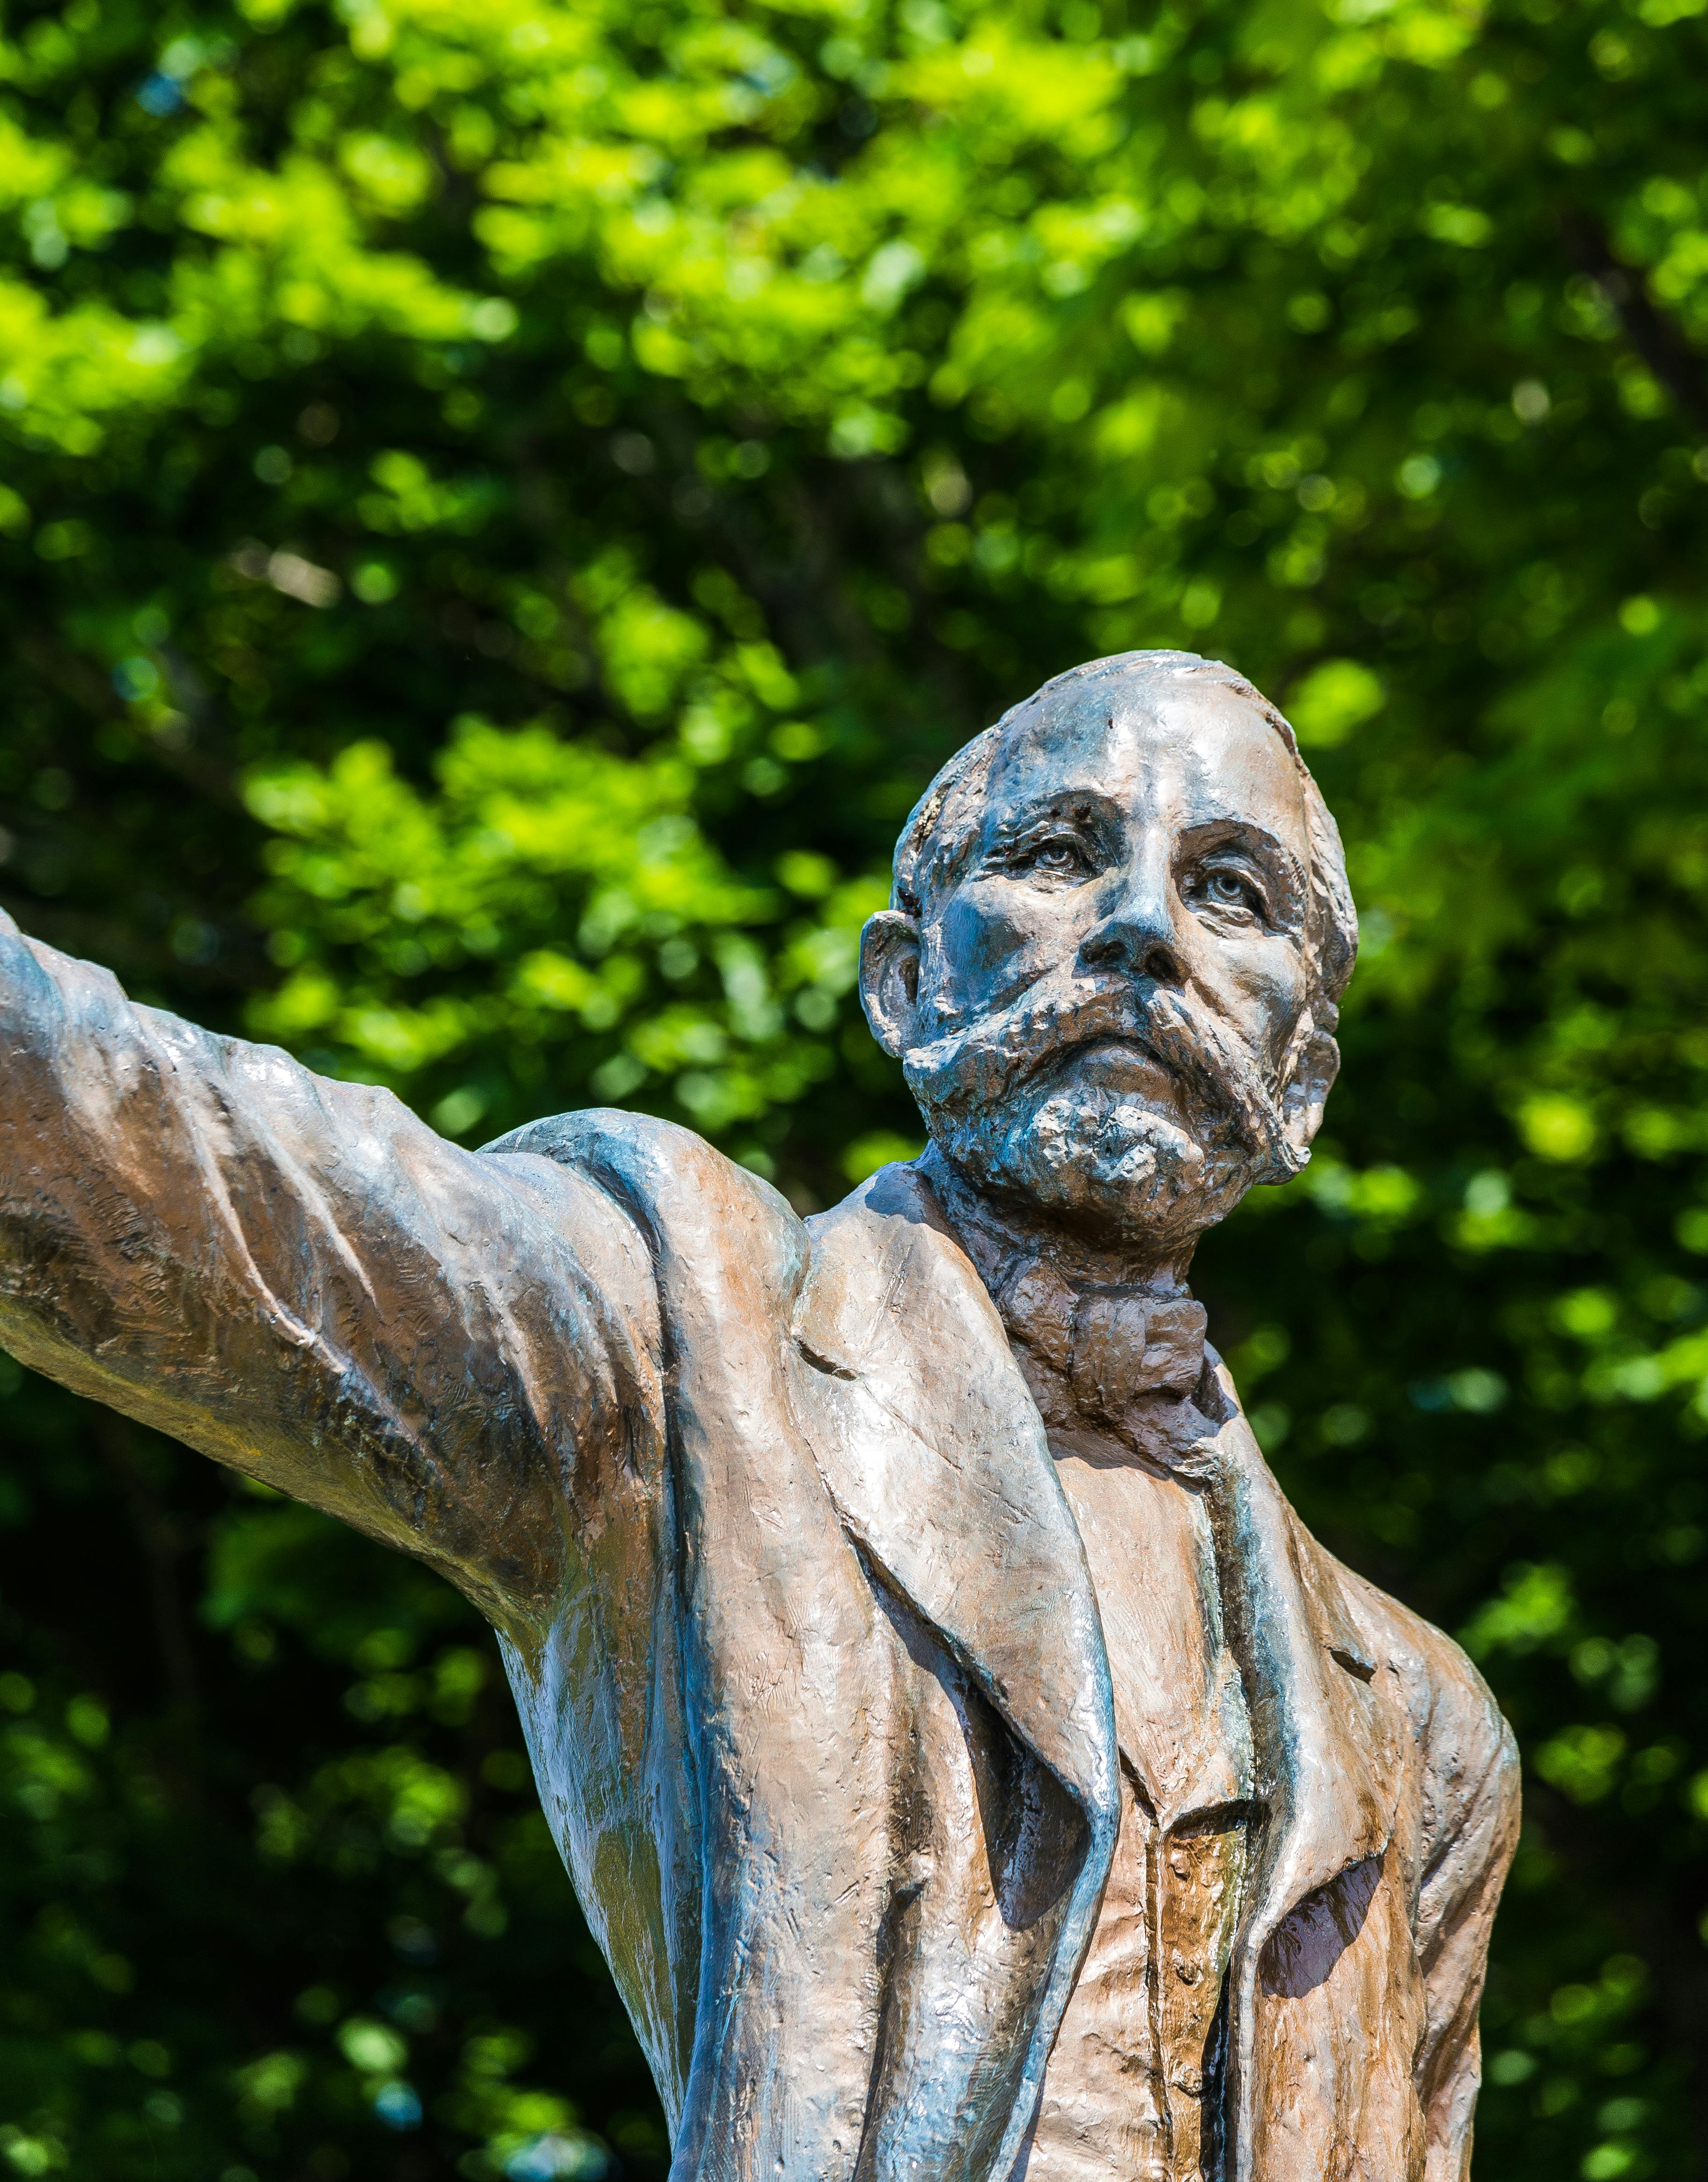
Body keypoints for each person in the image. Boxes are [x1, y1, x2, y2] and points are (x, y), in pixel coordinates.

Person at [0, 650, 1518, 2182]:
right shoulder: (679, 1328)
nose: (1141, 928)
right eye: (1059, 855)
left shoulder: (1425, 1728)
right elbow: (183, 1159)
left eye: (1231, 893)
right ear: (907, 981)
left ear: (1304, 1076)